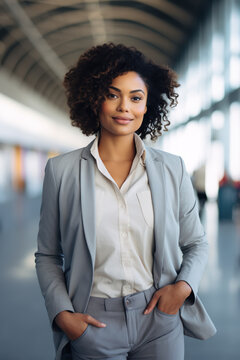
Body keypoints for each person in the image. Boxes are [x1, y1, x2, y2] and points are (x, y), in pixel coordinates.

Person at [35, 43, 216, 360]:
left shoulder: (171, 168)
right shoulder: (61, 171)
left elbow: (196, 242)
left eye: (136, 97)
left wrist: (183, 287)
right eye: (112, 94)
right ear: (95, 100)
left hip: (159, 320)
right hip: (93, 323)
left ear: (147, 106)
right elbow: (48, 254)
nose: (124, 107)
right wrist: (63, 315)